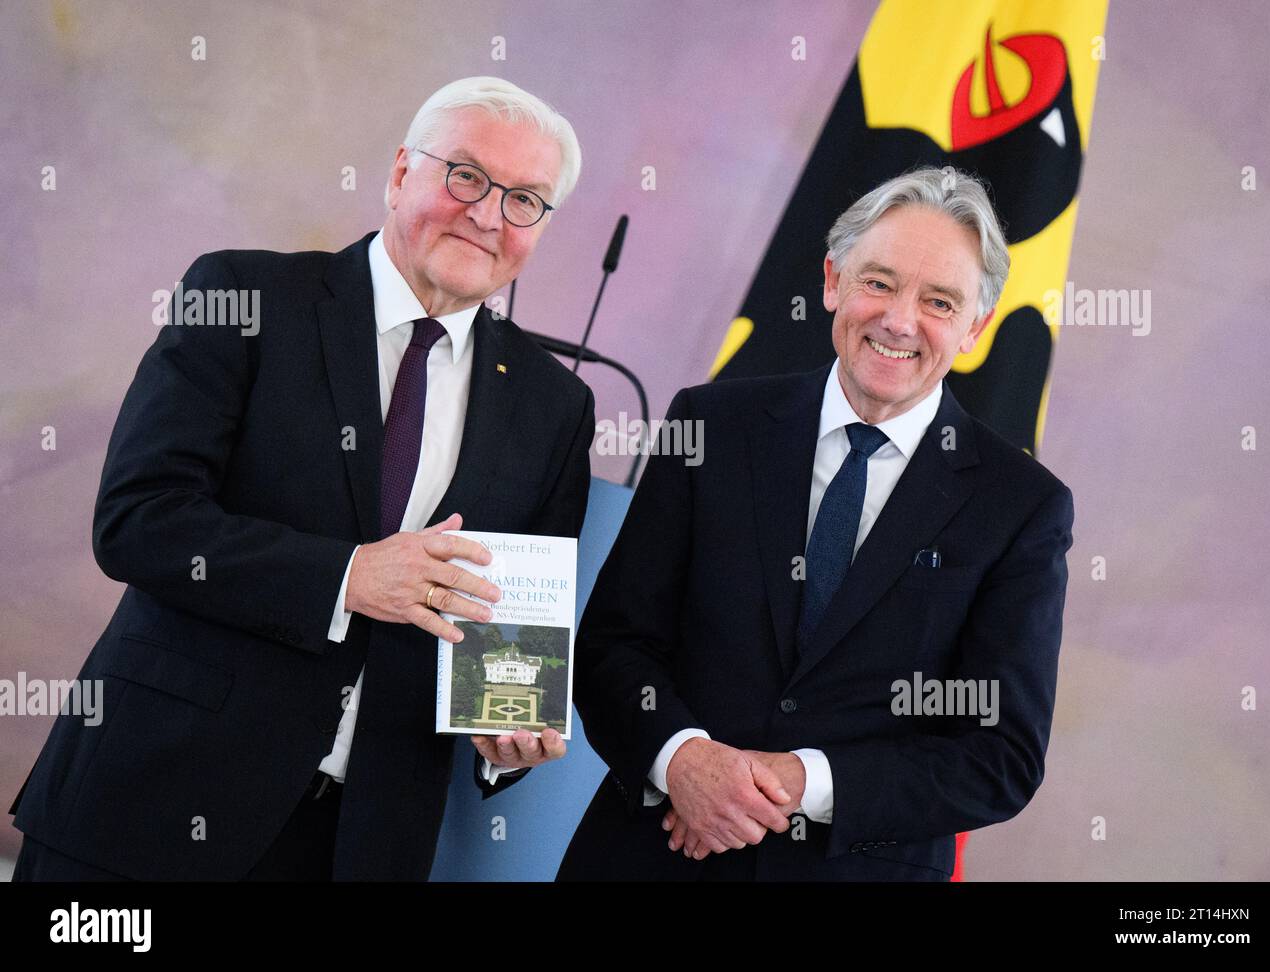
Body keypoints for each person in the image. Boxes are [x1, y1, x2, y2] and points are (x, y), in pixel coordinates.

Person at [9, 76, 594, 881]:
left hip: (358, 844)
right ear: (399, 173)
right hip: (149, 804)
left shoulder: (555, 404)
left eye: (524, 199)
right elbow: (139, 521)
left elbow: (510, 630)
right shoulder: (245, 296)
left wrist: (508, 739)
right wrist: (350, 578)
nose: (489, 215)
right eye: (466, 176)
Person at [558, 167, 1073, 881]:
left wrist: (799, 784)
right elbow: (616, 645)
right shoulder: (710, 426)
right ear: (834, 281)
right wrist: (683, 760)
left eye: (939, 301)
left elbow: (999, 756)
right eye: (880, 282)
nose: (899, 320)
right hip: (652, 855)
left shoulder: (1021, 507)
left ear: (976, 327)